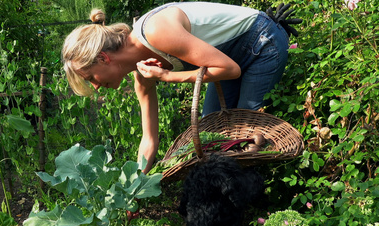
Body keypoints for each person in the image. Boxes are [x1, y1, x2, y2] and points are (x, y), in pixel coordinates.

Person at [62, 2, 299, 173]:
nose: (95, 86)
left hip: (261, 41)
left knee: (248, 137)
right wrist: (134, 187)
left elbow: (230, 69)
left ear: (104, 58)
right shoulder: (142, 77)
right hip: (230, 57)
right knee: (211, 137)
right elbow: (149, 140)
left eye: (90, 77)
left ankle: (253, 216)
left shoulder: (156, 31)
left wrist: (167, 76)